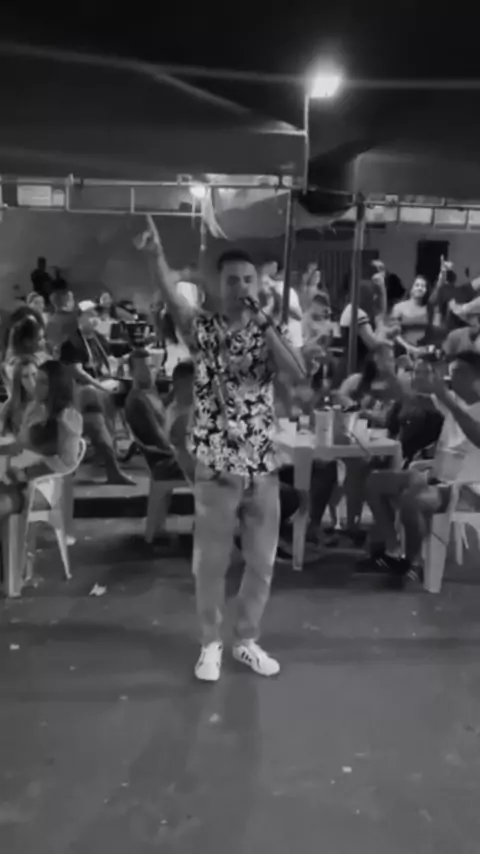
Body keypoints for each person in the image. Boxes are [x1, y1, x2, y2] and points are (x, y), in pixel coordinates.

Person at [139, 215, 306, 682]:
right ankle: (210, 643)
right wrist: (156, 258)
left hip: (262, 465)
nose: (240, 287)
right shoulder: (203, 329)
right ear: (218, 285)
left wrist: (267, 322)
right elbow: (173, 300)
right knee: (211, 564)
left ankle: (246, 640)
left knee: (262, 561)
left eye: (247, 280)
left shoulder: (270, 332)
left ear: (258, 284)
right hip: (215, 467)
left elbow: (297, 374)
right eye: (232, 280)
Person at [364, 353, 480, 576]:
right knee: (375, 481)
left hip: (468, 489)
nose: (450, 379)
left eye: (457, 373)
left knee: (412, 498)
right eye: (451, 373)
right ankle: (392, 550)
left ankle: (412, 562)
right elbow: (413, 396)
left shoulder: (460, 405)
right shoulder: (457, 402)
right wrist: (391, 373)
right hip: (439, 477)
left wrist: (447, 399)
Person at [0, 360, 83, 523]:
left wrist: (25, 473)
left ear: (57, 386)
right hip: (18, 474)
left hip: (46, 485)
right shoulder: (34, 408)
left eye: (43, 382)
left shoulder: (68, 417)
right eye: (36, 380)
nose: (35, 385)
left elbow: (66, 462)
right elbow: (20, 446)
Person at [59, 308, 134, 486]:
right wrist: (100, 385)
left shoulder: (98, 339)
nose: (95, 319)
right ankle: (108, 453)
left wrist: (124, 360)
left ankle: (123, 441)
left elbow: (109, 361)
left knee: (128, 390)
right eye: (90, 316)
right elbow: (78, 373)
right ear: (80, 318)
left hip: (101, 381)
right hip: (79, 389)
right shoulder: (72, 343)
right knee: (96, 396)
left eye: (96, 316)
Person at [125, 350, 192, 481]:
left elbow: (159, 409)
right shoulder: (137, 402)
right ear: (131, 373)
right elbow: (160, 441)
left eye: (150, 367)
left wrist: (176, 390)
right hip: (166, 464)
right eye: (142, 370)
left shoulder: (148, 391)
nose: (148, 373)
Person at [339, 280, 390, 370]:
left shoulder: (350, 308)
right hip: (358, 364)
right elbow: (373, 344)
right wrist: (380, 325)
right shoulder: (357, 313)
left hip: (350, 361)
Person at [390, 276, 429, 353]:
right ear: (411, 288)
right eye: (417, 285)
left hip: (425, 351)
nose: (420, 288)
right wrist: (408, 348)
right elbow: (394, 333)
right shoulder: (399, 307)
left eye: (423, 286)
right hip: (403, 352)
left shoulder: (429, 309)